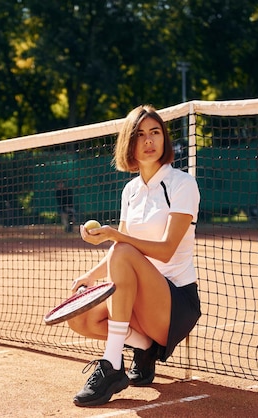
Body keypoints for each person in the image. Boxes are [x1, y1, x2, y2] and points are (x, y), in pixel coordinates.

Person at [67, 105, 201, 407]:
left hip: (175, 303)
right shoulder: (130, 190)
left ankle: (112, 365)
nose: (149, 140)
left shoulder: (183, 184)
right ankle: (144, 348)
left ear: (164, 139)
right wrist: (90, 277)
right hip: (139, 299)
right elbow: (120, 251)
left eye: (155, 132)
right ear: (129, 143)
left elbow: (165, 251)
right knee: (80, 318)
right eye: (140, 134)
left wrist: (117, 236)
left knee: (124, 249)